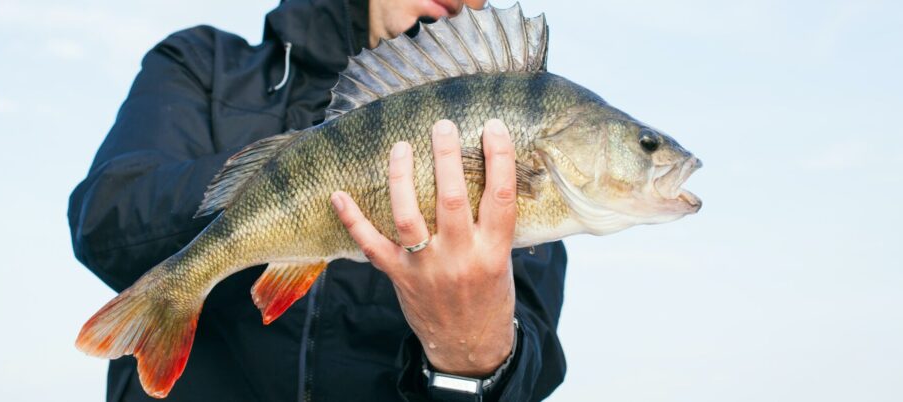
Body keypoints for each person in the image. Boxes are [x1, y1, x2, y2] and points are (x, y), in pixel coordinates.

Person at [67, 0, 567, 400]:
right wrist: (301, 176)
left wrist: (475, 359)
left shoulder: (503, 151)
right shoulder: (200, 63)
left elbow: (533, 368)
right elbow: (104, 219)